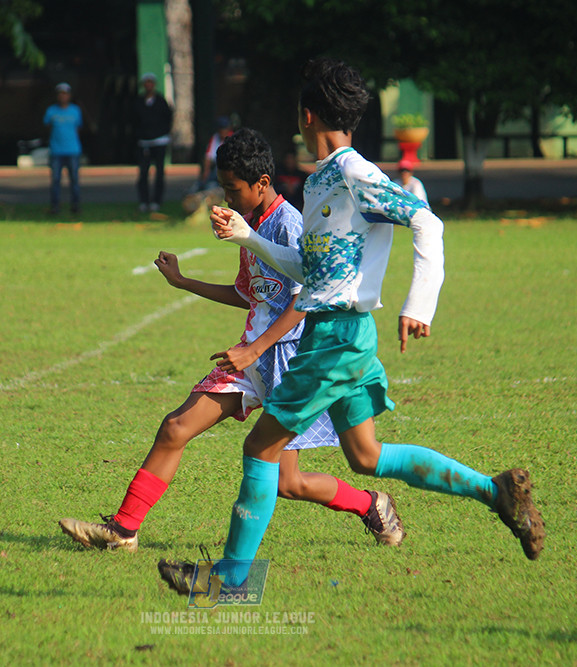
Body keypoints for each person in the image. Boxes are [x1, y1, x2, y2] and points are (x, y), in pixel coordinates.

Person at [158, 58, 544, 596]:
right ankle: (494, 490)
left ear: (307, 114)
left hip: (335, 337)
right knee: (366, 457)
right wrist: (248, 236)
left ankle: (229, 578)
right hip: (342, 334)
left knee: (260, 448)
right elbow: (312, 273)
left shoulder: (352, 173)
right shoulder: (323, 180)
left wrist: (419, 304)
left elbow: (426, 221)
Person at [58, 128, 404, 552]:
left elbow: (309, 296)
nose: (226, 199)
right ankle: (123, 530)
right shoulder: (251, 224)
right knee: (175, 427)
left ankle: (371, 504)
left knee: (287, 483)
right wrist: (184, 282)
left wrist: (255, 348)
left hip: (290, 363)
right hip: (250, 359)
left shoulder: (290, 224)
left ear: (261, 184)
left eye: (232, 189)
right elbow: (248, 293)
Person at [133, 73, 172, 212]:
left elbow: (168, 118)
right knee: (143, 173)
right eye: (146, 82)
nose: (148, 85)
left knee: (159, 172)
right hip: (144, 142)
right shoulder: (138, 102)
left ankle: (157, 201)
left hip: (160, 141)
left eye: (151, 82)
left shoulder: (161, 101)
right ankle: (144, 201)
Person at [43, 82, 83, 214]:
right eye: (60, 94)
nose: (63, 96)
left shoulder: (75, 111)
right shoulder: (51, 111)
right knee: (55, 181)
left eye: (65, 94)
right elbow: (47, 127)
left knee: (74, 180)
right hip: (56, 151)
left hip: (73, 151)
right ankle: (55, 206)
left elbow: (78, 128)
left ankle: (75, 206)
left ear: (69, 95)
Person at [198, 116, 233, 189]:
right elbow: (208, 157)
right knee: (203, 184)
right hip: (216, 169)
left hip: (228, 169)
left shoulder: (233, 138)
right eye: (221, 129)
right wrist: (206, 172)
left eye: (224, 128)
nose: (223, 131)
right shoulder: (215, 138)